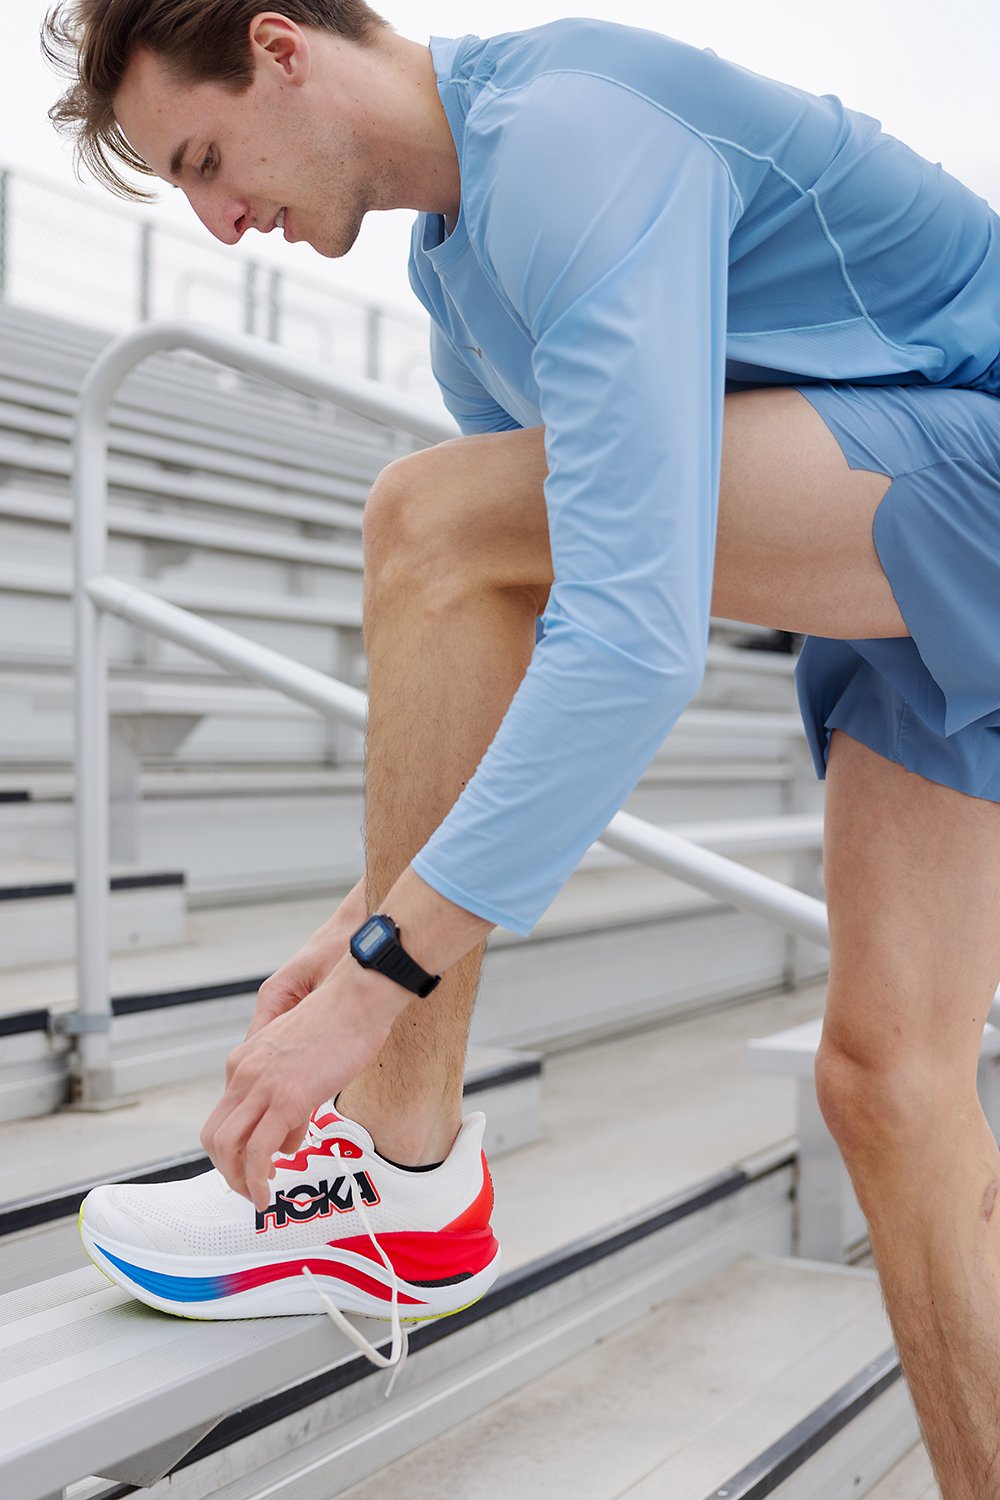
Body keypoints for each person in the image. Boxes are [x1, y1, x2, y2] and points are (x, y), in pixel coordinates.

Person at [44, 2, 1000, 1489]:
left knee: (428, 516)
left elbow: (628, 631)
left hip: (971, 466)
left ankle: (403, 1172)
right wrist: (358, 919)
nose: (224, 224)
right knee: (890, 1086)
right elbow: (551, 642)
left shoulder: (568, 128)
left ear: (284, 48)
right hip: (907, 593)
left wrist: (376, 987)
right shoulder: (463, 295)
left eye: (210, 158)